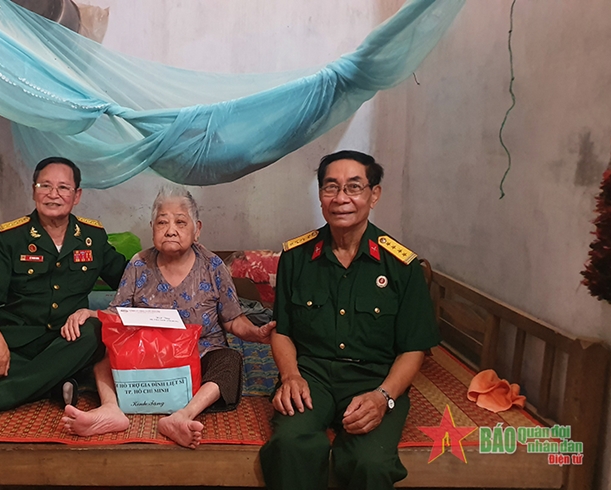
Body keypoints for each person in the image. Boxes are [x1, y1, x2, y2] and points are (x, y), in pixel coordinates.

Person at [259, 150, 440, 490]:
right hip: (311, 377)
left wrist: (383, 396)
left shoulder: (402, 266)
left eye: (354, 187)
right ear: (320, 195)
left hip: (374, 378)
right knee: (290, 445)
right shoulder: (296, 257)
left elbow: (414, 348)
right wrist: (290, 376)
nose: (341, 198)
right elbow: (282, 331)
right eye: (331, 187)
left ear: (374, 194)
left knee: (371, 462)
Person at [60, 185, 275, 448]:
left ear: (197, 229)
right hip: (147, 356)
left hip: (201, 355)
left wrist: (256, 333)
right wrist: (89, 313)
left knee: (230, 361)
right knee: (103, 347)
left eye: (180, 222)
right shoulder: (139, 264)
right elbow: (116, 315)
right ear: (152, 227)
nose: (171, 230)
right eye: (162, 222)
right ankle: (110, 409)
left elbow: (232, 319)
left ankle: (182, 416)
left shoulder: (213, 266)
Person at [0, 157, 128, 417]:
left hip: (67, 340)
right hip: (16, 339)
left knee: (94, 331)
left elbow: (129, 281)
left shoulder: (92, 237)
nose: (53, 194)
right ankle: (54, 383)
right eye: (45, 186)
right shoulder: (10, 238)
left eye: (63, 188)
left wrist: (166, 260)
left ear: (76, 196)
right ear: (33, 191)